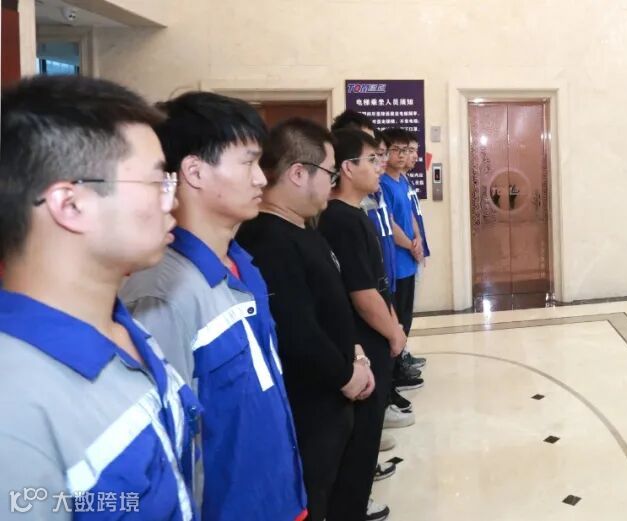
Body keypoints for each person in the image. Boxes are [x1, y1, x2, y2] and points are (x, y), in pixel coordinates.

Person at [0, 76, 198, 519]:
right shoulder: (13, 406)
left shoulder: (127, 330)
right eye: (157, 182)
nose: (172, 202)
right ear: (70, 205)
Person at [119, 92, 306, 521]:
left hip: (278, 498)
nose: (261, 180)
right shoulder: (163, 294)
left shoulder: (243, 268)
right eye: (248, 163)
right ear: (195, 171)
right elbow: (168, 452)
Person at [235, 118, 388, 521]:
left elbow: (327, 307)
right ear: (299, 173)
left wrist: (355, 353)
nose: (332, 183)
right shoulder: (268, 239)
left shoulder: (303, 228)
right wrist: (346, 374)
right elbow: (296, 330)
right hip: (310, 406)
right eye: (329, 172)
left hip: (334, 396)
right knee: (314, 498)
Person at [319, 127, 410, 494]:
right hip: (365, 336)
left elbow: (375, 282)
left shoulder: (354, 214)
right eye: (372, 159)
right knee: (362, 430)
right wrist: (393, 332)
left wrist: (394, 324)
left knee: (368, 429)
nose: (379, 166)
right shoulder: (341, 219)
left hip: (375, 331)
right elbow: (362, 292)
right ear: (347, 168)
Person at [380, 128, 428, 393]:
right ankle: (395, 371)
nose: (402, 155)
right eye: (396, 150)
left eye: (406, 150)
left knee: (406, 317)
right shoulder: (383, 183)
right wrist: (410, 245)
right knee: (396, 318)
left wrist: (418, 238)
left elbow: (410, 215)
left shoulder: (401, 181)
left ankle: (400, 364)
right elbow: (388, 222)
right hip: (396, 262)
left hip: (409, 259)